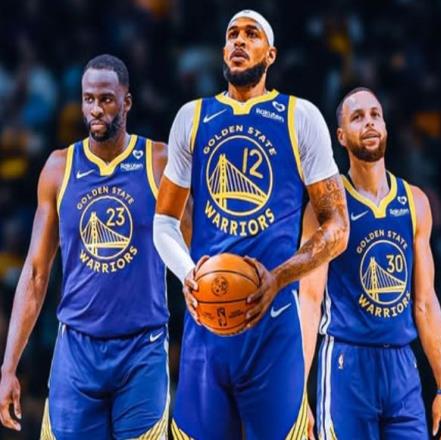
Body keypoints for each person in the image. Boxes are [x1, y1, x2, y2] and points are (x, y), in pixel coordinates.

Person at [153, 9, 349, 440]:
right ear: (224, 51)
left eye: (251, 34)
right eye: (232, 34)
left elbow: (338, 228)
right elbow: (164, 221)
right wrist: (189, 274)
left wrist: (279, 277)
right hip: (206, 328)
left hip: (274, 328)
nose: (239, 41)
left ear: (270, 54)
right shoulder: (192, 117)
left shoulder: (301, 117)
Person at [0, 54, 170, 439]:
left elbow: (195, 256)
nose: (96, 109)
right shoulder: (59, 168)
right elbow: (36, 272)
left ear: (127, 102)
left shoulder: (158, 161)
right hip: (77, 349)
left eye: (106, 99)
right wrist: (8, 367)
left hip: (142, 348)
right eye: (88, 99)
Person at [301, 87, 441, 439]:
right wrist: (298, 391)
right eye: (357, 117)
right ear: (341, 136)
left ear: (385, 127)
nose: (369, 122)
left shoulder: (415, 202)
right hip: (346, 364)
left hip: (402, 366)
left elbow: (425, 302)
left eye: (375, 115)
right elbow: (309, 300)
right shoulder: (326, 206)